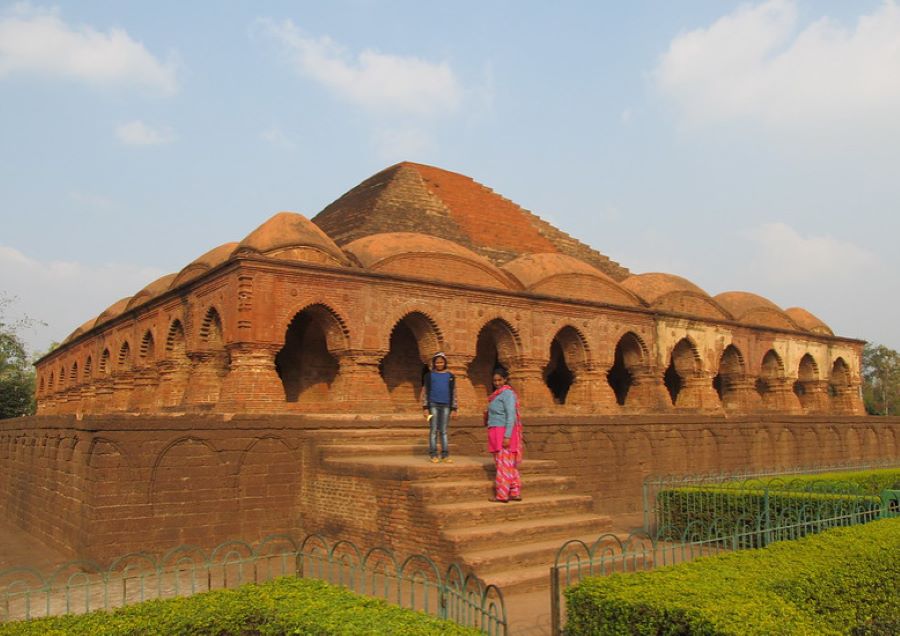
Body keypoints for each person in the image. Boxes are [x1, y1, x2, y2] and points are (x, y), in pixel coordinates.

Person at [484, 367, 523, 502]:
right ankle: (514, 492)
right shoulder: (497, 395)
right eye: (495, 380)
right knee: (508, 465)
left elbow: (511, 415)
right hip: (495, 431)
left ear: (505, 380)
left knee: (503, 465)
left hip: (503, 432)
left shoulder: (507, 394)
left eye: (500, 380)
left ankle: (502, 495)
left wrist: (507, 436)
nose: (497, 382)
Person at [421, 352, 457, 463]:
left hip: (446, 405)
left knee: (444, 431)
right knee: (433, 430)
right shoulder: (429, 376)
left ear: (445, 363)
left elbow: (454, 392)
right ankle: (433, 454)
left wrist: (454, 408)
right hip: (433, 405)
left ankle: (445, 455)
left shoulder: (450, 376)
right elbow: (425, 392)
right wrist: (425, 408)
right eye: (437, 362)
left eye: (441, 362)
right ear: (434, 363)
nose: (439, 364)